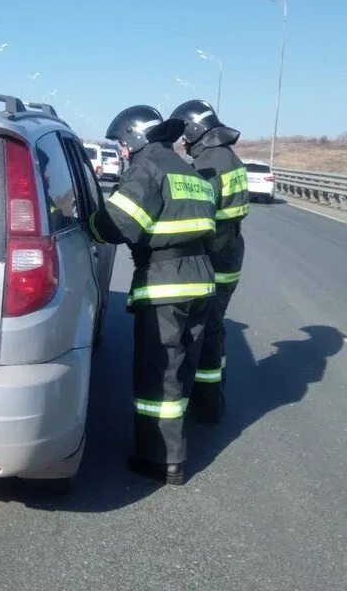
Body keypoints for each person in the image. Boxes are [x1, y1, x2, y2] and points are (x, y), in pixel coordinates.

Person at [87, 105, 217, 485]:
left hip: (167, 283)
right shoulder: (187, 171)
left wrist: (86, 223)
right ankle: (174, 445)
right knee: (182, 368)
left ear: (134, 137)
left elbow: (117, 225)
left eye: (123, 144)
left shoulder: (148, 167)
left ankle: (162, 459)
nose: (123, 152)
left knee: (159, 374)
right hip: (201, 280)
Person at [170, 100, 250, 422]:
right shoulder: (229, 157)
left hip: (215, 257)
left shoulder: (210, 163)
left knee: (205, 333)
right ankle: (211, 399)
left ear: (194, 131)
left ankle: (206, 404)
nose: (184, 144)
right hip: (230, 254)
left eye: (184, 137)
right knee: (214, 328)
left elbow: (200, 214)